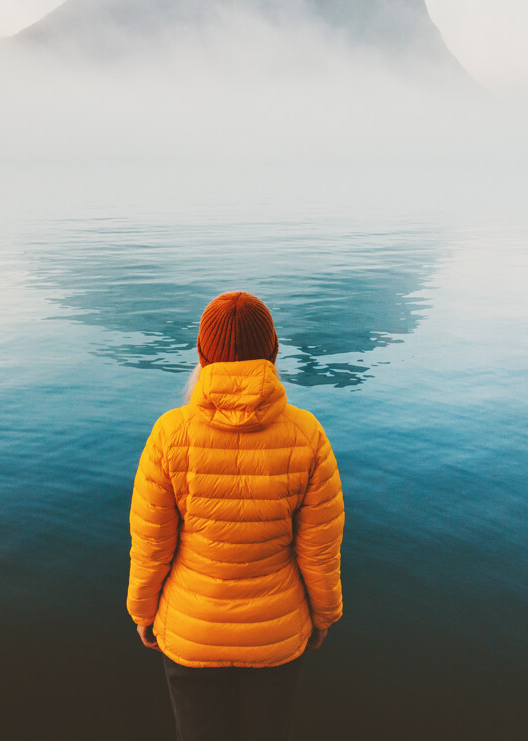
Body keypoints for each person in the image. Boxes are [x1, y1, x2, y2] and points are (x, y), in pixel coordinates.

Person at [128, 291, 344, 741]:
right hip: (277, 638)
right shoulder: (307, 435)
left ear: (202, 357)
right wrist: (324, 616)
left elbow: (151, 546)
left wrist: (142, 612)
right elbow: (320, 551)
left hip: (192, 634)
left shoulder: (169, 434)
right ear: (274, 353)